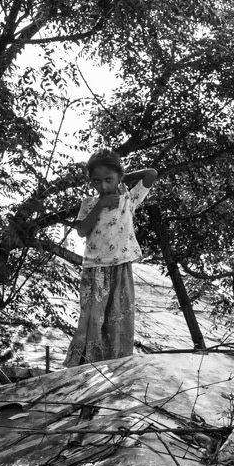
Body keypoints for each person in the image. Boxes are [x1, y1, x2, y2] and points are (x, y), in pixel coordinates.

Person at [65, 147, 157, 366]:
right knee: (92, 320)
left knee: (119, 319)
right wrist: (101, 204)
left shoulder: (129, 199)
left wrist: (123, 178)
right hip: (95, 270)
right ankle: (83, 364)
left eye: (109, 179)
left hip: (121, 269)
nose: (103, 186)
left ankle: (117, 364)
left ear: (118, 177)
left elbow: (151, 174)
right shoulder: (89, 203)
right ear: (91, 182)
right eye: (97, 181)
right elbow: (81, 231)